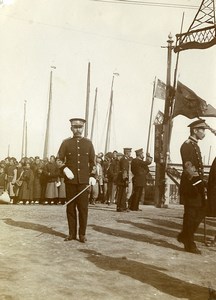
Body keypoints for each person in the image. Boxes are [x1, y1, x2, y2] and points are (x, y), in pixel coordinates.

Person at [57, 118, 96, 243]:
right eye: (75, 127)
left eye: (80, 127)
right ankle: (72, 234)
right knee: (70, 208)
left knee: (83, 209)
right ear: (71, 128)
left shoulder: (88, 143)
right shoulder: (66, 143)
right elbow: (59, 159)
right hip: (70, 182)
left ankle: (82, 234)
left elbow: (93, 162)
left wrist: (92, 175)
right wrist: (64, 168)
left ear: (83, 128)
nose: (78, 129)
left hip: (84, 182)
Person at [177, 119, 208, 254]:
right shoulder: (187, 145)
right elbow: (189, 168)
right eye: (202, 130)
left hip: (196, 185)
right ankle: (189, 243)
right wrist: (199, 184)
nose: (204, 132)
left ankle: (185, 236)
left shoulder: (194, 145)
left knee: (199, 212)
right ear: (195, 130)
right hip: (190, 186)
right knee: (191, 214)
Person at [116, 148, 132, 212]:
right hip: (123, 179)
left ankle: (119, 206)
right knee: (123, 193)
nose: (130, 153)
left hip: (121, 178)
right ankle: (122, 207)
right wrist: (126, 179)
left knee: (121, 192)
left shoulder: (123, 159)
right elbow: (124, 170)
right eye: (129, 152)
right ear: (127, 153)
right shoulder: (125, 160)